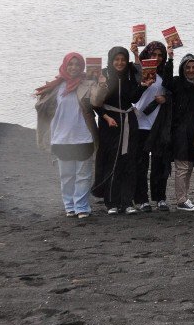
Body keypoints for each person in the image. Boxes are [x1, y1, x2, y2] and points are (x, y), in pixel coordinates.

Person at [35, 52, 98, 219]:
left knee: (83, 176)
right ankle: (69, 206)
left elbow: (98, 101)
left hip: (84, 137)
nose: (74, 68)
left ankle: (82, 206)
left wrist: (101, 83)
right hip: (61, 139)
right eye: (71, 64)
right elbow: (42, 107)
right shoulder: (56, 87)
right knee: (67, 176)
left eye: (78, 65)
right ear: (65, 65)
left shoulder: (88, 84)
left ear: (82, 67)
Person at [91, 46, 146, 215]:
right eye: (116, 59)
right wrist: (106, 117)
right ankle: (111, 202)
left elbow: (132, 98)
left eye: (123, 59)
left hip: (129, 121)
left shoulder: (130, 74)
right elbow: (95, 103)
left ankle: (127, 201)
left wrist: (143, 86)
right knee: (111, 161)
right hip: (110, 124)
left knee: (128, 162)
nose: (120, 63)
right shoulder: (103, 75)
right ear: (111, 60)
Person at [131, 41, 171, 212]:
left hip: (157, 125)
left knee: (159, 163)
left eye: (160, 55)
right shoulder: (138, 73)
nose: (157, 58)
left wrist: (166, 98)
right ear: (147, 55)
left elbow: (171, 92)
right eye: (153, 55)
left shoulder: (164, 76)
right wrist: (134, 53)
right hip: (140, 123)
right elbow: (131, 96)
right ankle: (141, 199)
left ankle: (160, 198)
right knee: (140, 163)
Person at [162, 50, 194, 211]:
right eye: (187, 67)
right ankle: (181, 199)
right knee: (182, 166)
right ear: (182, 68)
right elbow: (166, 81)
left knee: (189, 166)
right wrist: (170, 58)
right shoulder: (177, 82)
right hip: (179, 130)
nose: (191, 70)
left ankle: (184, 197)